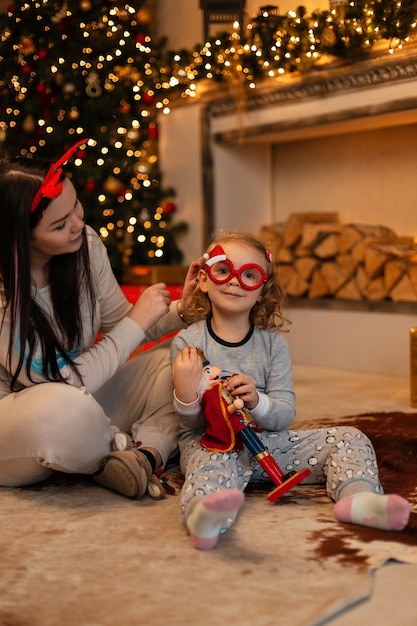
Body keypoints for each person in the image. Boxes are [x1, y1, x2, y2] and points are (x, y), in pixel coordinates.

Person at [171, 230, 411, 550]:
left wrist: (257, 402)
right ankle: (204, 516)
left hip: (269, 444)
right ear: (204, 279)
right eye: (224, 270)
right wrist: (187, 394)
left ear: (262, 290)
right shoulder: (187, 342)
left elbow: (284, 415)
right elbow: (187, 425)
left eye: (249, 275)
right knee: (208, 467)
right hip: (213, 445)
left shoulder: (273, 345)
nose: (235, 281)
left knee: (350, 437)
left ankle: (359, 499)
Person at [0, 138, 200, 500]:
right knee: (66, 412)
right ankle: (118, 446)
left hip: (83, 399)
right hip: (22, 419)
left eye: (76, 206)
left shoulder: (86, 245)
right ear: (21, 239)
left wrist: (186, 308)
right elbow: (58, 383)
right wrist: (136, 324)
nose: (78, 223)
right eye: (60, 224)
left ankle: (141, 455)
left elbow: (127, 325)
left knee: (184, 359)